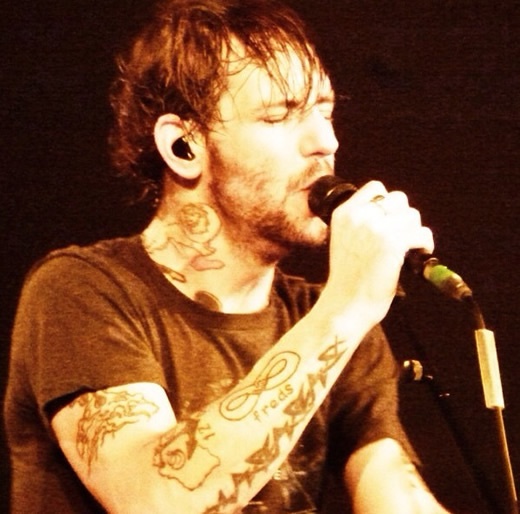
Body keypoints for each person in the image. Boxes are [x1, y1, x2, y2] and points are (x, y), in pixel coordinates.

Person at [4, 0, 451, 512]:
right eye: (279, 115)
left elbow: (395, 496)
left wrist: (347, 313)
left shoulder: (326, 320)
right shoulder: (80, 290)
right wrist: (347, 308)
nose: (325, 142)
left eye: (325, 112)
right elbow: (156, 500)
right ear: (183, 147)